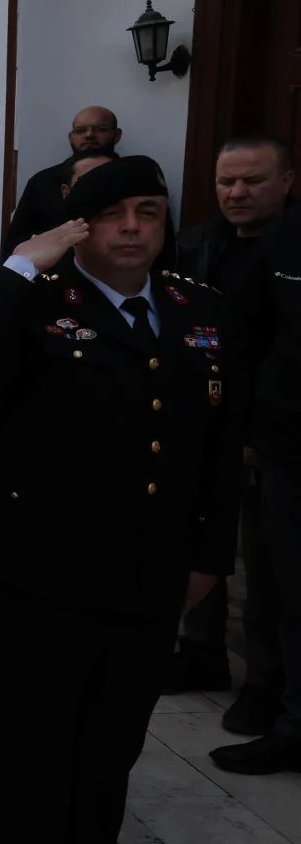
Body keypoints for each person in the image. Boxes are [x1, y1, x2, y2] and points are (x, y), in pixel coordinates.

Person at [0, 158, 238, 844]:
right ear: (77, 228)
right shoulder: (36, 306)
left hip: (152, 576)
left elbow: (221, 449)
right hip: (43, 571)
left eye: (148, 214)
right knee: (37, 747)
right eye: (111, 215)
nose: (131, 229)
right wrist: (18, 266)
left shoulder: (199, 311)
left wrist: (209, 559)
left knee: (112, 750)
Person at [169, 135, 293, 711]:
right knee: (199, 541)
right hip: (201, 426)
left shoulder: (292, 249)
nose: (237, 193)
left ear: (287, 181)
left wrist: (255, 435)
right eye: (226, 182)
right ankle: (202, 654)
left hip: (275, 438)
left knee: (270, 571)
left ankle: (268, 689)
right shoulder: (197, 243)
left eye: (253, 181)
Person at [1, 106, 122, 255]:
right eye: (80, 130)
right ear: (71, 137)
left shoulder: (137, 176)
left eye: (101, 129)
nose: (89, 135)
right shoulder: (43, 182)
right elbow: (13, 245)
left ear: (117, 135)